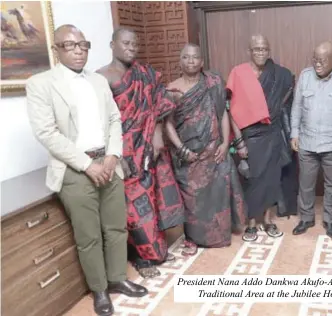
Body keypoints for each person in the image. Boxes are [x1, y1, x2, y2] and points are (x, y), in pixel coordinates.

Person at [26, 24, 147, 316]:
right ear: (56, 49)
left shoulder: (98, 81)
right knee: (89, 236)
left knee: (117, 228)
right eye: (70, 45)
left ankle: (118, 278)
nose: (79, 50)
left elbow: (115, 120)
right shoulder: (41, 84)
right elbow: (47, 133)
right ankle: (100, 290)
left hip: (107, 164)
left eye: (83, 45)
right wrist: (87, 165)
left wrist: (112, 156)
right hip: (75, 170)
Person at [96, 28, 189, 279]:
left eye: (135, 44)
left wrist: (158, 136)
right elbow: (98, 122)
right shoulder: (101, 78)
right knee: (132, 207)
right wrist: (113, 155)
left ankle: (154, 250)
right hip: (123, 152)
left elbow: (159, 104)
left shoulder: (145, 73)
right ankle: (140, 256)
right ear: (112, 44)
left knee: (152, 201)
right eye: (125, 43)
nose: (131, 48)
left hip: (149, 146)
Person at [164, 43, 247, 248]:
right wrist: (182, 150)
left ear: (202, 62)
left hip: (215, 151)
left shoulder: (213, 82)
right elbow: (167, 124)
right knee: (193, 199)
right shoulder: (171, 89)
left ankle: (219, 235)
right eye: (186, 57)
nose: (191, 61)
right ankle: (196, 238)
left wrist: (224, 144)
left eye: (195, 57)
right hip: (188, 155)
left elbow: (222, 114)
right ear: (180, 61)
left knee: (218, 193)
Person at [226, 35, 296, 241]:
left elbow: (285, 102)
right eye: (256, 49)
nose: (261, 53)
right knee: (253, 180)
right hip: (249, 136)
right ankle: (251, 223)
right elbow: (231, 111)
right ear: (249, 51)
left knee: (272, 179)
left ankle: (268, 220)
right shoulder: (238, 73)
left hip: (272, 134)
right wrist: (239, 142)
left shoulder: (278, 74)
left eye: (264, 49)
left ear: (269, 51)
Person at [291, 42, 332, 239]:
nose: (317, 64)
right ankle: (306, 218)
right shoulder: (305, 76)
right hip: (307, 141)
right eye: (315, 59)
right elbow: (296, 107)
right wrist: (294, 133)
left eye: (322, 60)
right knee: (305, 184)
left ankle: (329, 220)